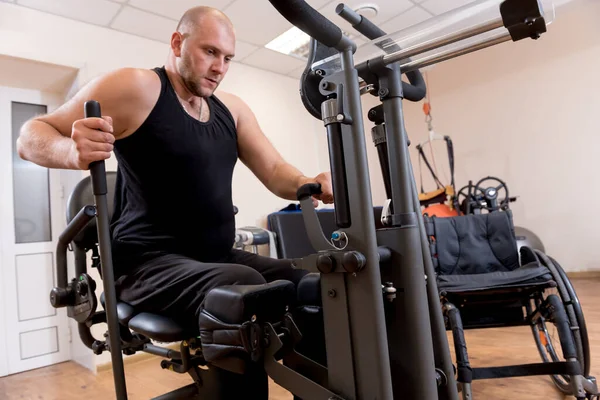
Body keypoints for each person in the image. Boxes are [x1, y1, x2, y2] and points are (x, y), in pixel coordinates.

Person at [16, 6, 332, 397]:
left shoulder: (231, 110)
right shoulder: (138, 88)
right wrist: (71, 152)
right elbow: (30, 136)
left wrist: (308, 183)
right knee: (244, 289)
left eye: (228, 58)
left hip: (217, 258)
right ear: (177, 43)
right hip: (147, 265)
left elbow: (275, 170)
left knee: (314, 287)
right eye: (210, 52)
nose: (220, 67)